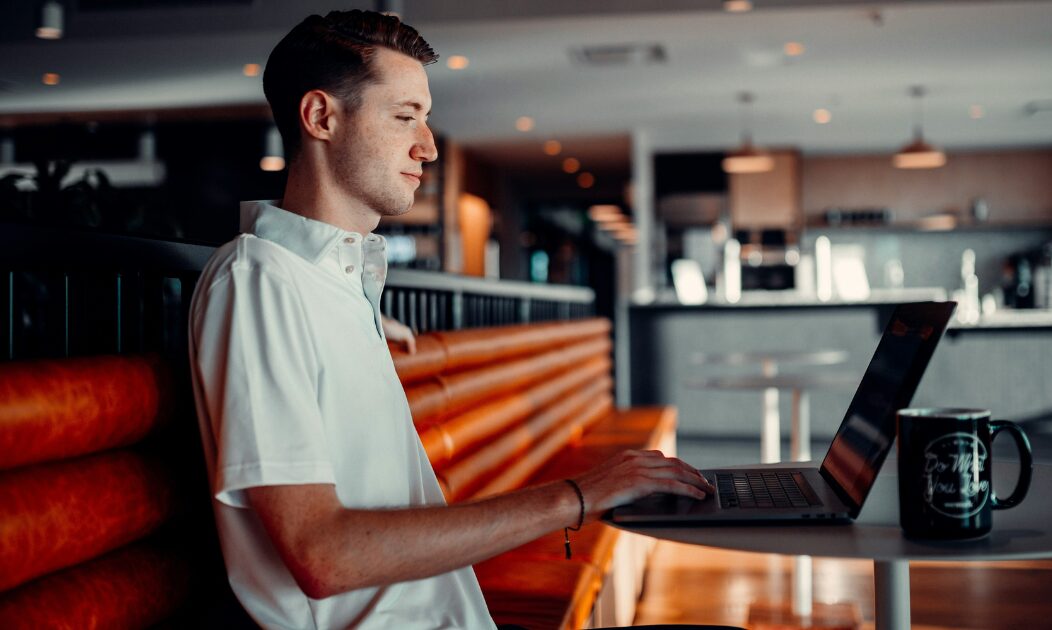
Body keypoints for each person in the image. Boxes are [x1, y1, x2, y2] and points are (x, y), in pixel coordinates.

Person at [187, 10, 712, 630]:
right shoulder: (259, 280)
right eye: (405, 116)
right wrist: (578, 495)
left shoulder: (334, 283)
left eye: (425, 119)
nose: (429, 146)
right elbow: (321, 555)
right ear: (321, 117)